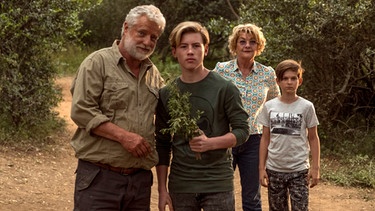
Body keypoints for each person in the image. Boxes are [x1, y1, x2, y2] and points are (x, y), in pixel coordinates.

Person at [69, 5, 166, 210]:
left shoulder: (153, 73)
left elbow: (168, 114)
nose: (147, 42)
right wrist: (124, 136)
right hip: (100, 179)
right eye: (142, 33)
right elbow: (81, 110)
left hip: (139, 183)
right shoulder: (97, 62)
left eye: (154, 37)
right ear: (125, 28)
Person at [155, 21, 250, 211]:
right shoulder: (167, 94)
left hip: (218, 183)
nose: (190, 51)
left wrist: (210, 143)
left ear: (205, 50)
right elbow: (163, 144)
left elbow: (242, 131)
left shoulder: (225, 88)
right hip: (181, 185)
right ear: (175, 52)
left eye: (196, 46)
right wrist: (162, 190)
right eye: (184, 46)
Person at [213, 23, 280, 211]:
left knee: (252, 196)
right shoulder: (221, 70)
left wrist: (273, 140)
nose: (247, 45)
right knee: (221, 194)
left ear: (259, 46)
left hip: (254, 140)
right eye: (242, 41)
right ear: (235, 45)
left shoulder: (268, 73)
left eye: (252, 42)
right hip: (227, 138)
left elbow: (274, 107)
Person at [257, 59, 321, 211]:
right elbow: (265, 138)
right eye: (285, 79)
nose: (289, 82)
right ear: (278, 81)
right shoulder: (269, 106)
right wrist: (261, 168)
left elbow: (313, 138)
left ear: (300, 81)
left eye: (293, 78)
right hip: (275, 169)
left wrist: (315, 168)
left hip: (299, 170)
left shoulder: (306, 107)